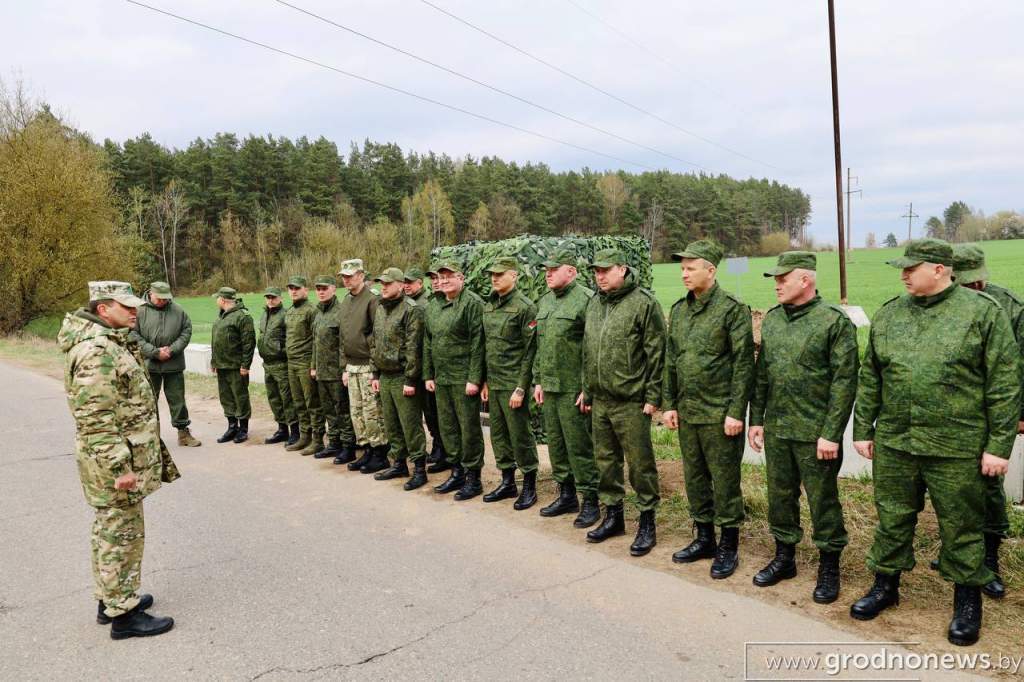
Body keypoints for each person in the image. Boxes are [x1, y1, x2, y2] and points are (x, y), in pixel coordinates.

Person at [851, 238, 1020, 647]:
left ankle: (966, 601)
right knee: (892, 517)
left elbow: (1004, 383)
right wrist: (862, 428)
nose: (904, 273)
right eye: (902, 268)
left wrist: (998, 445)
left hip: (956, 445)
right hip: (897, 441)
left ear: (941, 269)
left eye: (912, 267)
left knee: (962, 526)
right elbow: (871, 375)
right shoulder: (890, 314)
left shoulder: (981, 314)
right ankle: (885, 586)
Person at [59, 281, 178, 639]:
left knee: (111, 531)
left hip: (115, 459)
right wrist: (120, 469)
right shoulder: (96, 351)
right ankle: (123, 616)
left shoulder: (109, 341)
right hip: (113, 464)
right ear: (102, 309)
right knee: (121, 534)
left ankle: (110, 599)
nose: (134, 311)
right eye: (124, 306)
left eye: (133, 305)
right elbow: (95, 418)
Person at [748, 252, 857, 603]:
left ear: (805, 280)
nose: (777, 284)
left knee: (822, 500)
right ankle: (784, 558)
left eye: (783, 278)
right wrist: (757, 419)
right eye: (775, 279)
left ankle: (829, 566)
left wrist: (831, 432)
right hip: (779, 428)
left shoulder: (832, 322)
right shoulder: (774, 319)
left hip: (815, 432)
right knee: (779, 496)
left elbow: (844, 383)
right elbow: (762, 374)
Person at [661, 239, 755, 577]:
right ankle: (704, 537)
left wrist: (735, 411)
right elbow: (671, 361)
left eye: (691, 268)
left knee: (725, 481)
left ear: (711, 270)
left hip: (719, 414)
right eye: (682, 268)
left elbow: (744, 366)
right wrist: (669, 404)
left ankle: (729, 545)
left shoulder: (732, 309)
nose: (684, 274)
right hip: (688, 411)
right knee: (695, 477)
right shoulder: (679, 310)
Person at [943, 243, 1024, 599]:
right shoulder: (939, 306)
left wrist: (1019, 414)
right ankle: (957, 555)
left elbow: (1018, 366)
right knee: (951, 492)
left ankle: (989, 560)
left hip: (991, 415)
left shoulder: (1009, 307)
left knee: (988, 488)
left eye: (977, 282)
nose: (974, 289)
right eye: (966, 283)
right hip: (949, 416)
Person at [581, 248, 666, 556]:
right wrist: (587, 389)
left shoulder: (643, 303)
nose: (599, 276)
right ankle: (613, 516)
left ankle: (647, 522)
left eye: (605, 270)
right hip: (601, 399)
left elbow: (657, 353)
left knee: (640, 465)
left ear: (623, 269)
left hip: (631, 401)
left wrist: (653, 396)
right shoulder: (594, 303)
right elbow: (588, 351)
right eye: (596, 271)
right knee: (605, 462)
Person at [533, 249, 600, 527]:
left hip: (574, 389)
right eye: (546, 269)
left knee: (579, 447)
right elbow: (540, 344)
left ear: (571, 271)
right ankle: (567, 494)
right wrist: (538, 380)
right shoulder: (545, 301)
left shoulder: (586, 300)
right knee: (557, 446)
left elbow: (593, 348)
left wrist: (588, 388)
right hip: (550, 386)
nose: (547, 273)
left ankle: (591, 501)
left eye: (553, 268)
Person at [423, 259, 486, 500]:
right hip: (442, 379)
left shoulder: (472, 304)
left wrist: (474, 378)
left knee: (468, 429)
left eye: (450, 276)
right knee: (448, 427)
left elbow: (478, 344)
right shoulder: (434, 306)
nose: (444, 280)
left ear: (462, 278)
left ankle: (473, 478)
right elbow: (428, 342)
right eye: (441, 276)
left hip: (463, 379)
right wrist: (429, 374)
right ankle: (457, 470)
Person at [481, 256, 540, 509]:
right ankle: (507, 482)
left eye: (500, 274)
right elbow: (486, 345)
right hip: (493, 383)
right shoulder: (490, 305)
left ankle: (529, 485)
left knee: (520, 436)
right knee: (499, 435)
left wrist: (521, 387)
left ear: (513, 276)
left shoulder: (525, 307)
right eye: (492, 274)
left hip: (513, 383)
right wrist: (483, 380)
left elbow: (530, 351)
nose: (494, 278)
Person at [371, 267, 429, 489]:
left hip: (403, 376)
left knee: (410, 425)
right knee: (392, 423)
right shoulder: (380, 308)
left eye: (387, 283)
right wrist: (375, 372)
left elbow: (414, 347)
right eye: (382, 283)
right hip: (385, 376)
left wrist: (411, 380)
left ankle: (420, 469)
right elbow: (374, 341)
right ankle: (399, 463)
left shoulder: (411, 310)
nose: (383, 287)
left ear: (399, 284)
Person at [130, 281, 201, 447]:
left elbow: (186, 331)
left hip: (173, 363)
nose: (163, 301)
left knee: (178, 400)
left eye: (165, 298)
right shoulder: (139, 310)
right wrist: (154, 352)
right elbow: (133, 334)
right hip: (149, 364)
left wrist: (171, 350)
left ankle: (183, 434)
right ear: (151, 294)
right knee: (147, 401)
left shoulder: (178, 310)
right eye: (159, 298)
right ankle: (150, 437)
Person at [337, 259, 390, 473]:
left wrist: (375, 369)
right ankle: (366, 449)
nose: (346, 279)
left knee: (372, 412)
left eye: (350, 275)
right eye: (344, 276)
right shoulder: (346, 301)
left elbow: (377, 336)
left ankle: (380, 453)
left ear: (361, 275)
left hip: (368, 366)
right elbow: (343, 336)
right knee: (356, 411)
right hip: (351, 366)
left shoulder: (372, 299)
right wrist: (344, 367)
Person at [309, 275, 357, 459]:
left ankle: (348, 446)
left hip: (336, 372)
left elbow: (344, 344)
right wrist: (313, 366)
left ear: (333, 289)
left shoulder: (341, 311)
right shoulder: (318, 312)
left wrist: (344, 369)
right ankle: (334, 443)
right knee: (328, 410)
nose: (321, 292)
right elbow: (315, 342)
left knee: (343, 411)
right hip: (322, 372)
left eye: (324, 288)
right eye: (318, 289)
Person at [403, 266, 445, 466]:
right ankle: (438, 444)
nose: (436, 281)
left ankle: (442, 448)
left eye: (439, 278)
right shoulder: (422, 302)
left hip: (436, 367)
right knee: (429, 411)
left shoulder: (429, 302)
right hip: (422, 366)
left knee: (437, 411)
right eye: (433, 278)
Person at [210, 287, 255, 444]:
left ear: (222, 299)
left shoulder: (242, 317)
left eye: (217, 298)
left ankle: (243, 429)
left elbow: (249, 343)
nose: (216, 301)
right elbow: (215, 341)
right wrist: (213, 361)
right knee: (226, 397)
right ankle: (232, 426)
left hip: (236, 366)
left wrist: (245, 365)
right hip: (222, 366)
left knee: (240, 397)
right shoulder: (220, 317)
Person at [284, 276, 321, 452]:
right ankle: (304, 436)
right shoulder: (289, 311)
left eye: (297, 288)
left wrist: (313, 364)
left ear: (305, 290)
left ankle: (317, 439)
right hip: (292, 363)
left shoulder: (311, 310)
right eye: (291, 288)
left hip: (305, 362)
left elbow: (316, 340)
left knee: (311, 402)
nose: (293, 291)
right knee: (298, 402)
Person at [258, 286, 298, 445]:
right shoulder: (264, 314)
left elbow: (290, 338)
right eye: (268, 297)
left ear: (280, 298)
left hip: (281, 363)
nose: (270, 300)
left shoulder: (285, 315)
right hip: (267, 364)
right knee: (274, 398)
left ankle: (295, 431)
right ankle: (282, 429)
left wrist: (280, 350)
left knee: (287, 399)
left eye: (273, 297)